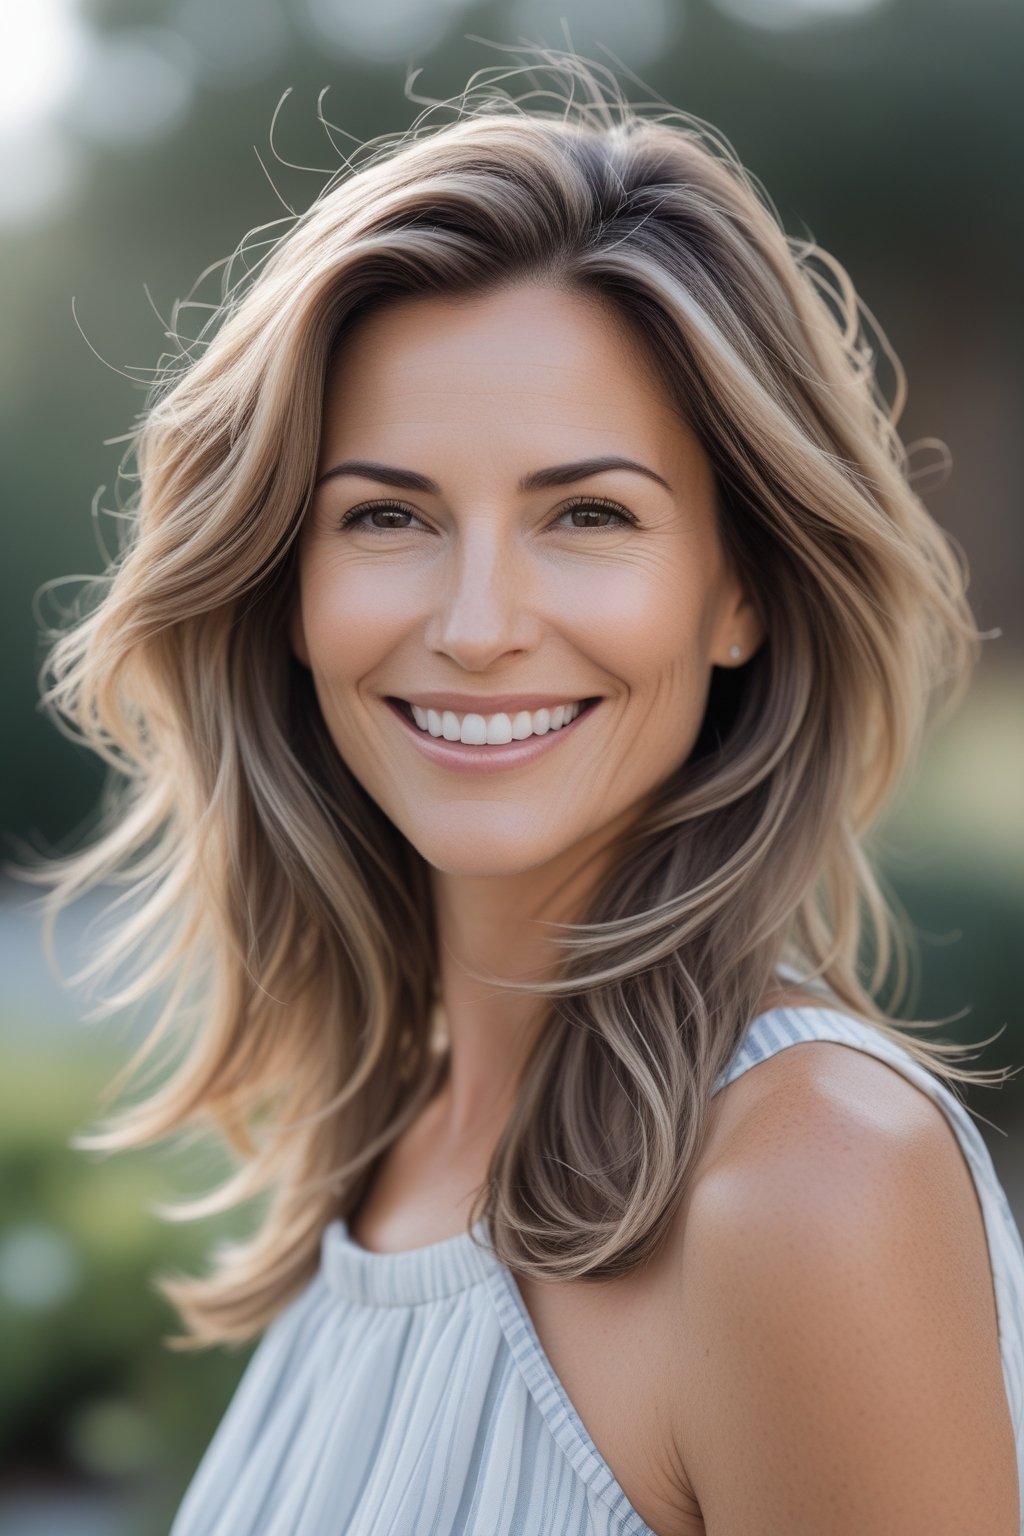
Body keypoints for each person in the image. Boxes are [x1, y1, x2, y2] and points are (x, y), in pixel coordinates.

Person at [24, 50, 1024, 1535]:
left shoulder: (810, 1184)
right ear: (286, 591)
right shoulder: (388, 1144)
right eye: (386, 515)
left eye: (589, 514)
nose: (480, 624)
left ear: (739, 592)